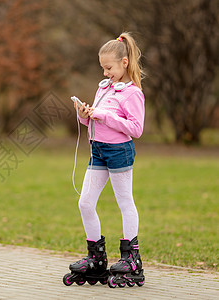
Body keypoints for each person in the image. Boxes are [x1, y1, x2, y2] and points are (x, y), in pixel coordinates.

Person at [69, 32, 146, 286]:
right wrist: (85, 114)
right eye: (102, 68)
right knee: (85, 202)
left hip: (119, 151)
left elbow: (136, 129)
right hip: (97, 150)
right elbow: (95, 120)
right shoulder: (105, 88)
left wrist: (104, 116)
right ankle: (96, 258)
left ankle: (131, 258)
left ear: (124, 62)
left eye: (109, 68)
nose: (105, 73)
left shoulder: (132, 93)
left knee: (125, 202)